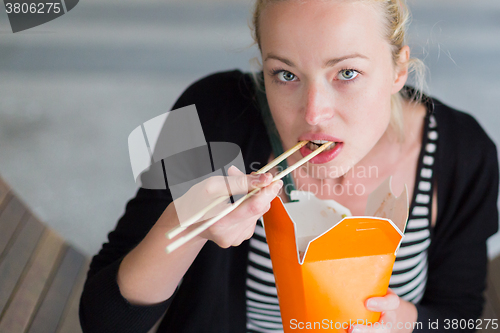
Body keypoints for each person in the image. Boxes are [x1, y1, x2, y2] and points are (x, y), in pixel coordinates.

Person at [79, 0, 499, 332]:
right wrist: (186, 226)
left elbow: (459, 315)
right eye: (285, 74)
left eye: (347, 72)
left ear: (397, 69)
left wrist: (408, 323)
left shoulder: (464, 153)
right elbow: (102, 320)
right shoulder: (209, 114)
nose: (314, 114)